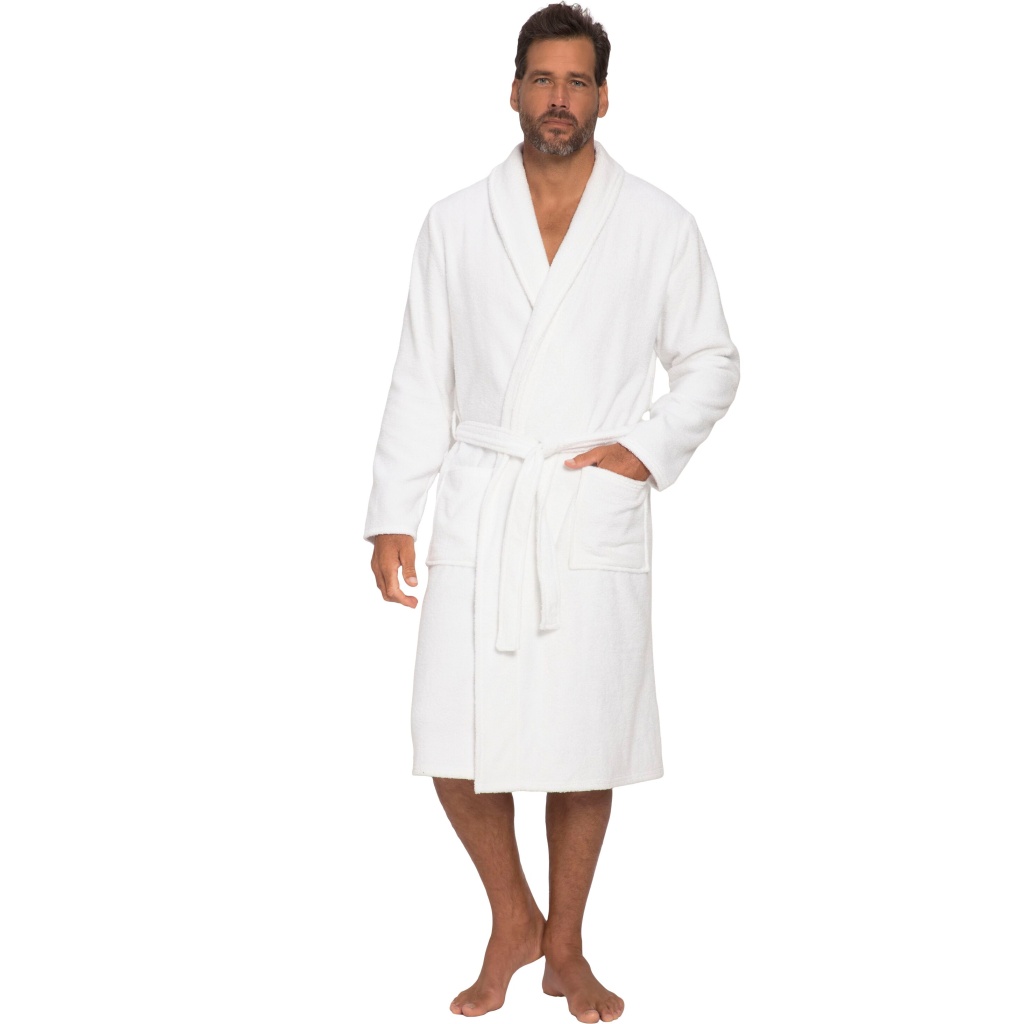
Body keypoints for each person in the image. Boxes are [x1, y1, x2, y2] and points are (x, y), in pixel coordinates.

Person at [363, 3, 740, 1019]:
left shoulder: (658, 223)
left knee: (583, 738)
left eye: (577, 82)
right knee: (450, 733)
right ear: (514, 91)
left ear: (604, 97)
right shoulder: (454, 221)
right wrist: (393, 510)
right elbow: (421, 375)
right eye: (543, 79)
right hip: (484, 499)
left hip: (583, 503)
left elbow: (711, 360)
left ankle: (565, 944)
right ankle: (512, 918)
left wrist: (644, 451)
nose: (559, 99)